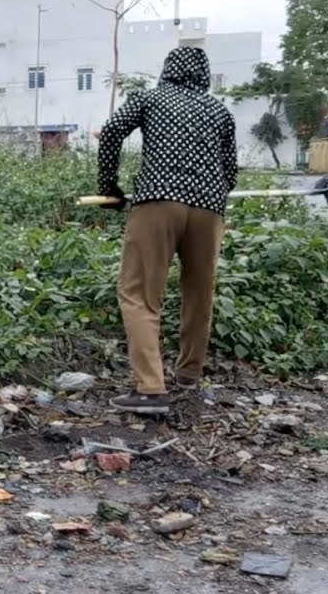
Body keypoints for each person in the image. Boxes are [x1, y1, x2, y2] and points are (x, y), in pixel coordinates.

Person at [94, 46, 238, 415]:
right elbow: (231, 172)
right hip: (209, 210)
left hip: (158, 201)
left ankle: (150, 388)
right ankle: (189, 373)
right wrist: (207, 191)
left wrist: (109, 188)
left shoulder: (150, 97)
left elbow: (111, 131)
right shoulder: (219, 111)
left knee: (139, 293)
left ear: (167, 69)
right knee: (199, 291)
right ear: (204, 74)